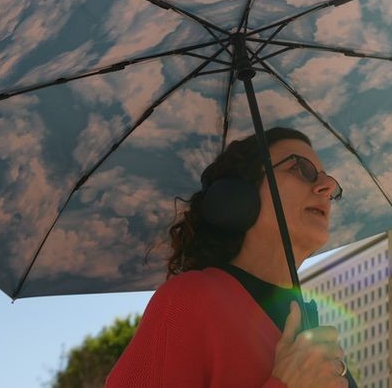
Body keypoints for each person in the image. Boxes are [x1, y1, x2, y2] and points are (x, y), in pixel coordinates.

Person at [107, 127, 356, 387]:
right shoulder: (188, 300)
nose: (327, 187)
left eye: (330, 182)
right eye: (301, 169)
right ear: (238, 197)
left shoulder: (310, 329)